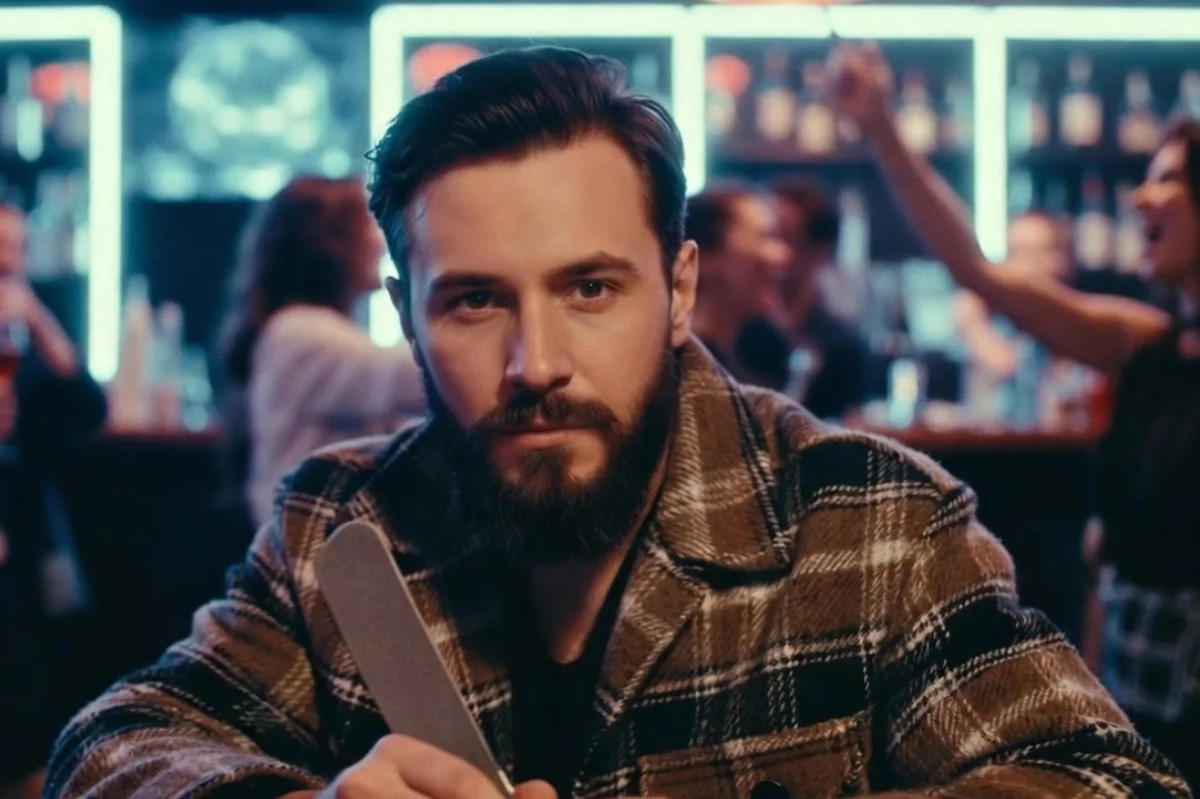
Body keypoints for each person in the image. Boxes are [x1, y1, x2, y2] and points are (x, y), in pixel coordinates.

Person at [47, 48, 1187, 799]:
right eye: (475, 300)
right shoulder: (342, 528)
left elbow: (1108, 779)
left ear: (678, 288)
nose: (535, 363)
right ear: (404, 314)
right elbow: (110, 747)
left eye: (590, 288)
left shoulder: (867, 519)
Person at [830, 40, 1200, 787]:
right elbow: (976, 270)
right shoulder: (1146, 348)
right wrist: (881, 130)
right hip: (1135, 679)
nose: (1139, 198)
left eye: (1167, 180)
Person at [217, 177, 425, 526]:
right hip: (303, 545)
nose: (380, 241)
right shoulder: (300, 334)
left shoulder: (300, 332)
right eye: (368, 226)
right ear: (331, 245)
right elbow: (415, 374)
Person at [0, 202, 107, 799]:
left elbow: (86, 407)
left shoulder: (17, 331)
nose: (9, 266)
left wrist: (32, 311)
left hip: (24, 528)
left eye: (17, 256)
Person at [771, 178, 871, 419]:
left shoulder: (844, 349)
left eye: (784, 237)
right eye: (764, 236)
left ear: (820, 251)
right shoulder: (739, 335)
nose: (772, 252)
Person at [684, 181, 793, 390]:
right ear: (706, 256)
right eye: (766, 237)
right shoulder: (672, 375)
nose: (783, 255)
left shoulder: (759, 358)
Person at [955, 211, 1074, 379]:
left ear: (1061, 261)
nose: (1027, 266)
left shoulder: (1075, 326)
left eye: (1037, 252)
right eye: (1017, 253)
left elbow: (1013, 372)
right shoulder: (1005, 323)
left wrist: (974, 325)